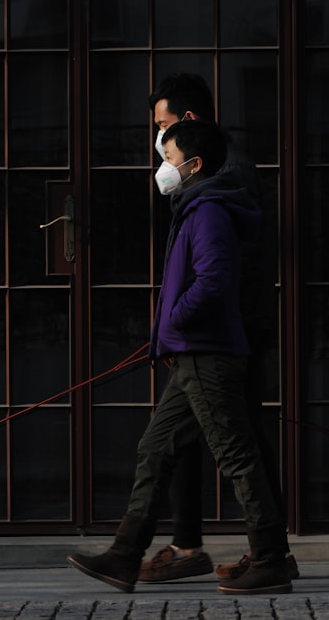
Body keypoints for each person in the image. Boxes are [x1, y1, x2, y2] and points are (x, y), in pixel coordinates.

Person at [67, 119, 294, 595]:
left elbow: (213, 281)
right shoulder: (194, 206)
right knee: (156, 448)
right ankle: (125, 556)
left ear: (194, 165)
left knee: (235, 455)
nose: (163, 168)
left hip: (207, 354)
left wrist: (173, 324)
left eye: (169, 159)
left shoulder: (208, 209)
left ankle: (272, 558)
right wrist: (170, 334)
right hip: (193, 352)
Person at [138, 73, 296, 584]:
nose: (158, 142)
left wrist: (176, 321)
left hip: (224, 335)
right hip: (208, 334)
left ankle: (269, 551)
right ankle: (196, 545)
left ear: (186, 124)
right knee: (186, 439)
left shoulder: (219, 177)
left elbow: (220, 271)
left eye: (163, 128)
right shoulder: (212, 174)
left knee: (238, 443)